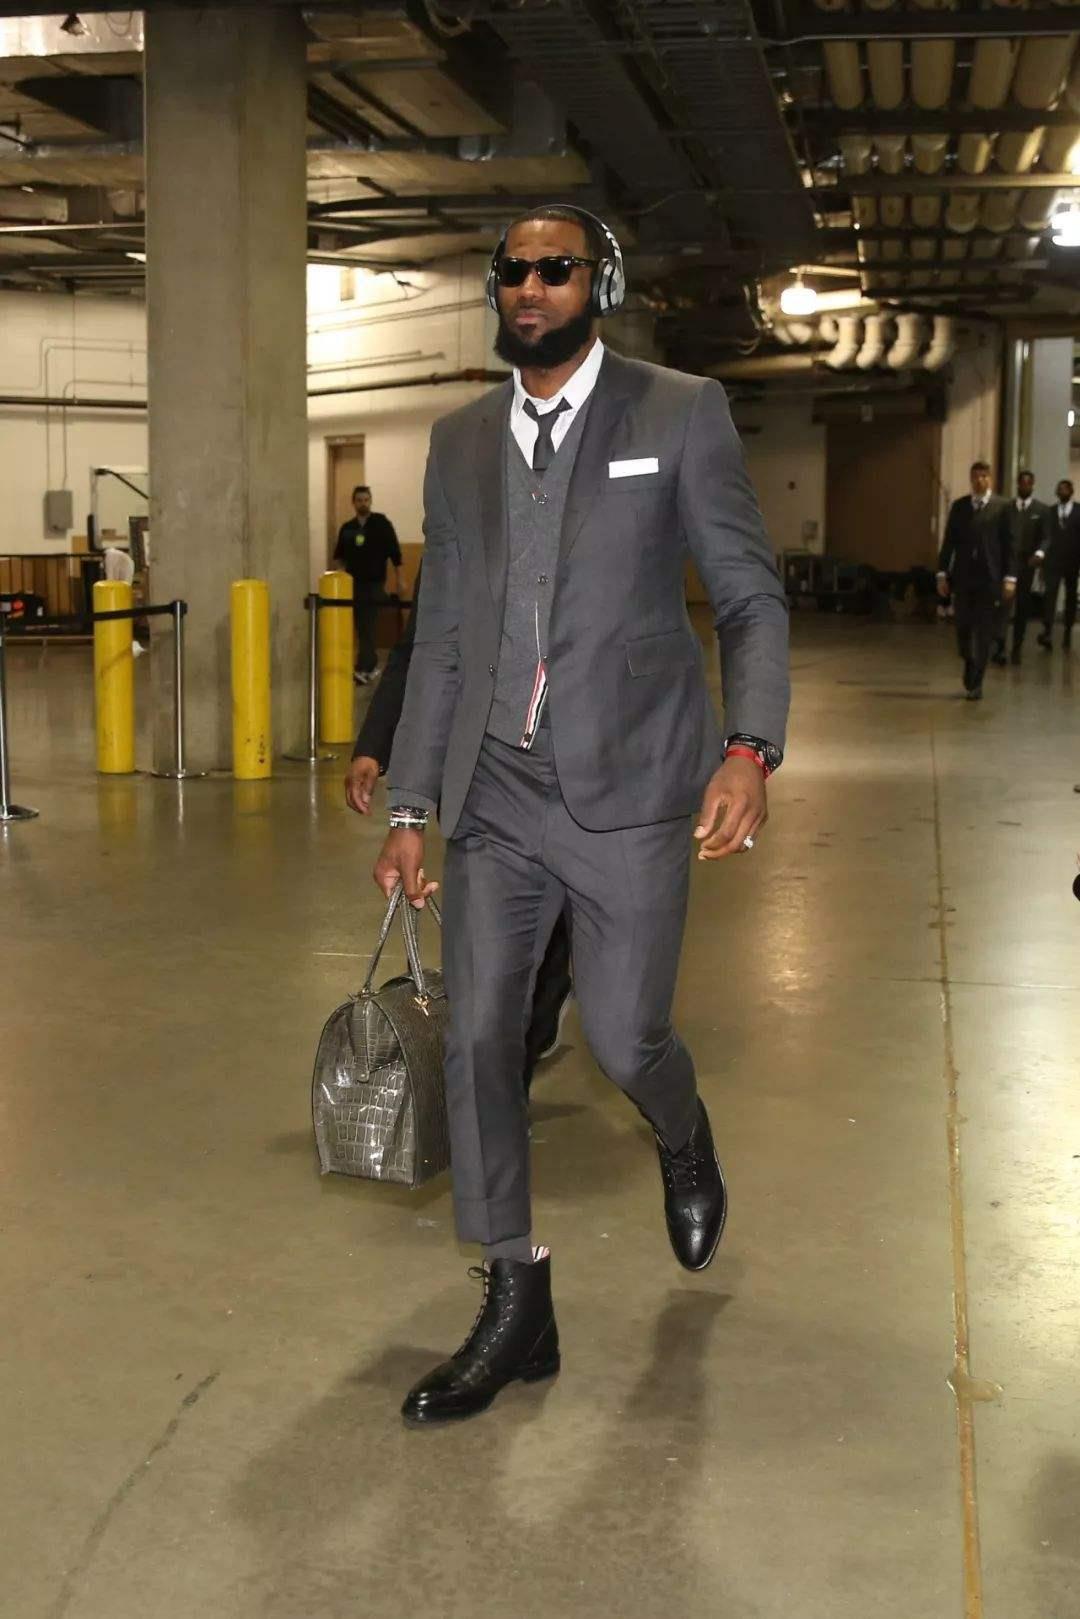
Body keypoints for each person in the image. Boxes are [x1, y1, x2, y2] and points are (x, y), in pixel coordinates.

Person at [372, 203, 789, 1427]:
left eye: (555, 268)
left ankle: (683, 1128)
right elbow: (442, 636)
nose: (530, 287)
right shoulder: (458, 441)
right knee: (481, 1039)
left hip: (635, 791)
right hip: (496, 793)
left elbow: (750, 597)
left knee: (622, 1035)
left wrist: (750, 746)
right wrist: (411, 799)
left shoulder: (680, 412)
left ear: (597, 283)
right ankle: (515, 1296)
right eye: (512, 271)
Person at [345, 563, 573, 1088]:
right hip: (483, 779)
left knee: (556, 932)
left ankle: (540, 1015)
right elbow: (418, 650)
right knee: (495, 951)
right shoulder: (459, 531)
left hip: (575, 778)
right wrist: (374, 746)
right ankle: (504, 1090)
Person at [937, 461, 1016, 700]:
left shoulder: (1003, 507)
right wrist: (942, 573)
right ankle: (968, 660)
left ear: (990, 479)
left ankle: (978, 681)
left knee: (983, 631)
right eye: (976, 476)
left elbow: (1010, 544)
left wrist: (1010, 577)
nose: (980, 480)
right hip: (963, 577)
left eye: (984, 476)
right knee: (962, 627)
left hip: (990, 578)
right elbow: (949, 542)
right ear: (971, 479)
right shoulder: (960, 506)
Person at [332, 485, 402, 684]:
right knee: (358, 625)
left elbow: (395, 552)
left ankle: (366, 666)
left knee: (367, 625)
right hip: (351, 584)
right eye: (359, 500)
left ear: (370, 501)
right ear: (353, 503)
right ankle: (365, 664)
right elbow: (340, 557)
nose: (363, 503)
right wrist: (340, 579)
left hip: (374, 584)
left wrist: (400, 579)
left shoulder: (381, 524)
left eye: (366, 500)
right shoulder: (348, 528)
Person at [991, 470, 1050, 666]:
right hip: (1007, 562)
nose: (1025, 486)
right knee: (1004, 604)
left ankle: (1016, 647)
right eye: (1022, 483)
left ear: (1033, 485)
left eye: (1028, 483)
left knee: (1022, 607)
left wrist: (1040, 553)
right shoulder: (1006, 509)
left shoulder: (1041, 510)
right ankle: (1000, 646)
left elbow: (1046, 537)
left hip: (1027, 563)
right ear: (1017, 484)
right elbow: (998, 534)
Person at [1037, 478, 1080, 653]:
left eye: (1065, 489)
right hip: (1052, 561)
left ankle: (1067, 631)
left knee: (1070, 597)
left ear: (1071, 492)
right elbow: (1045, 535)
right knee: (1050, 596)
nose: (1061, 491)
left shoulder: (1078, 511)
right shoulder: (1050, 511)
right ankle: (1047, 631)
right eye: (1059, 489)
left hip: (1072, 561)